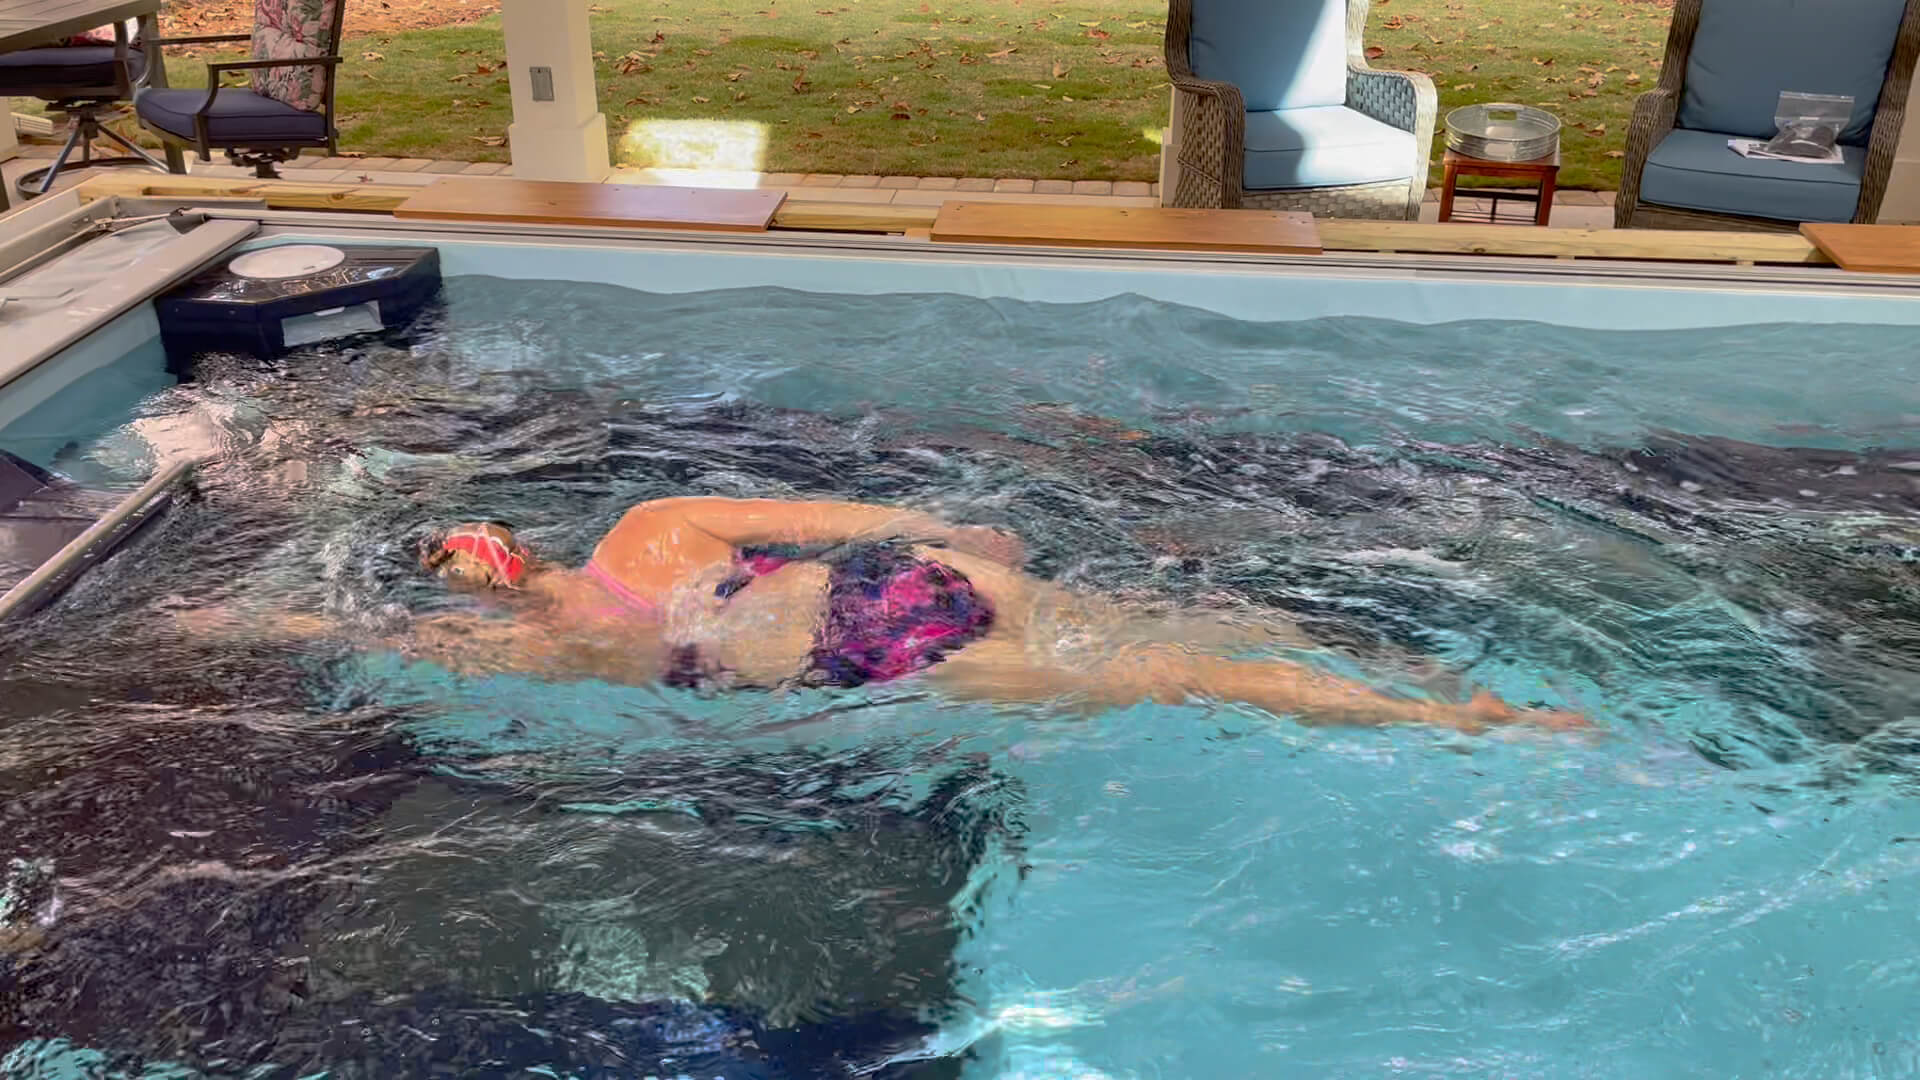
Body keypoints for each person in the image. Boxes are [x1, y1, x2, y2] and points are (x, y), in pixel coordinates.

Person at [193, 497, 1586, 733]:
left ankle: (1445, 720)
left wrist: (230, 628)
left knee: (1175, 677)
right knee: (1188, 623)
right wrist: (940, 536)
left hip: (849, 660)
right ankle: (1419, 675)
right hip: (907, 591)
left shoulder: (524, 643)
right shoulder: (649, 527)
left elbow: (350, 638)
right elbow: (830, 519)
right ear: (524, 535)